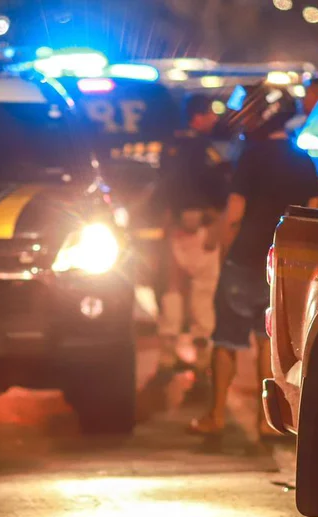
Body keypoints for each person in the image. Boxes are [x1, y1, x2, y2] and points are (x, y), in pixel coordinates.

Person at [189, 83, 318, 446]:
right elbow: (312, 212)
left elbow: (234, 215)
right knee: (270, 340)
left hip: (245, 259)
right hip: (284, 265)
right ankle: (269, 422)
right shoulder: (302, 159)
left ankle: (215, 416)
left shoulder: (251, 156)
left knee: (227, 340)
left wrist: (225, 253)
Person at [141, 94, 226, 412]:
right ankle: (203, 365)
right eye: (210, 114)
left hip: (176, 228)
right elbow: (220, 190)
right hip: (203, 228)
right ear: (198, 116)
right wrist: (217, 227)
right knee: (203, 297)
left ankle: (166, 360)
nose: (214, 119)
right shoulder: (206, 150)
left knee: (173, 293)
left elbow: (163, 190)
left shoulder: (170, 147)